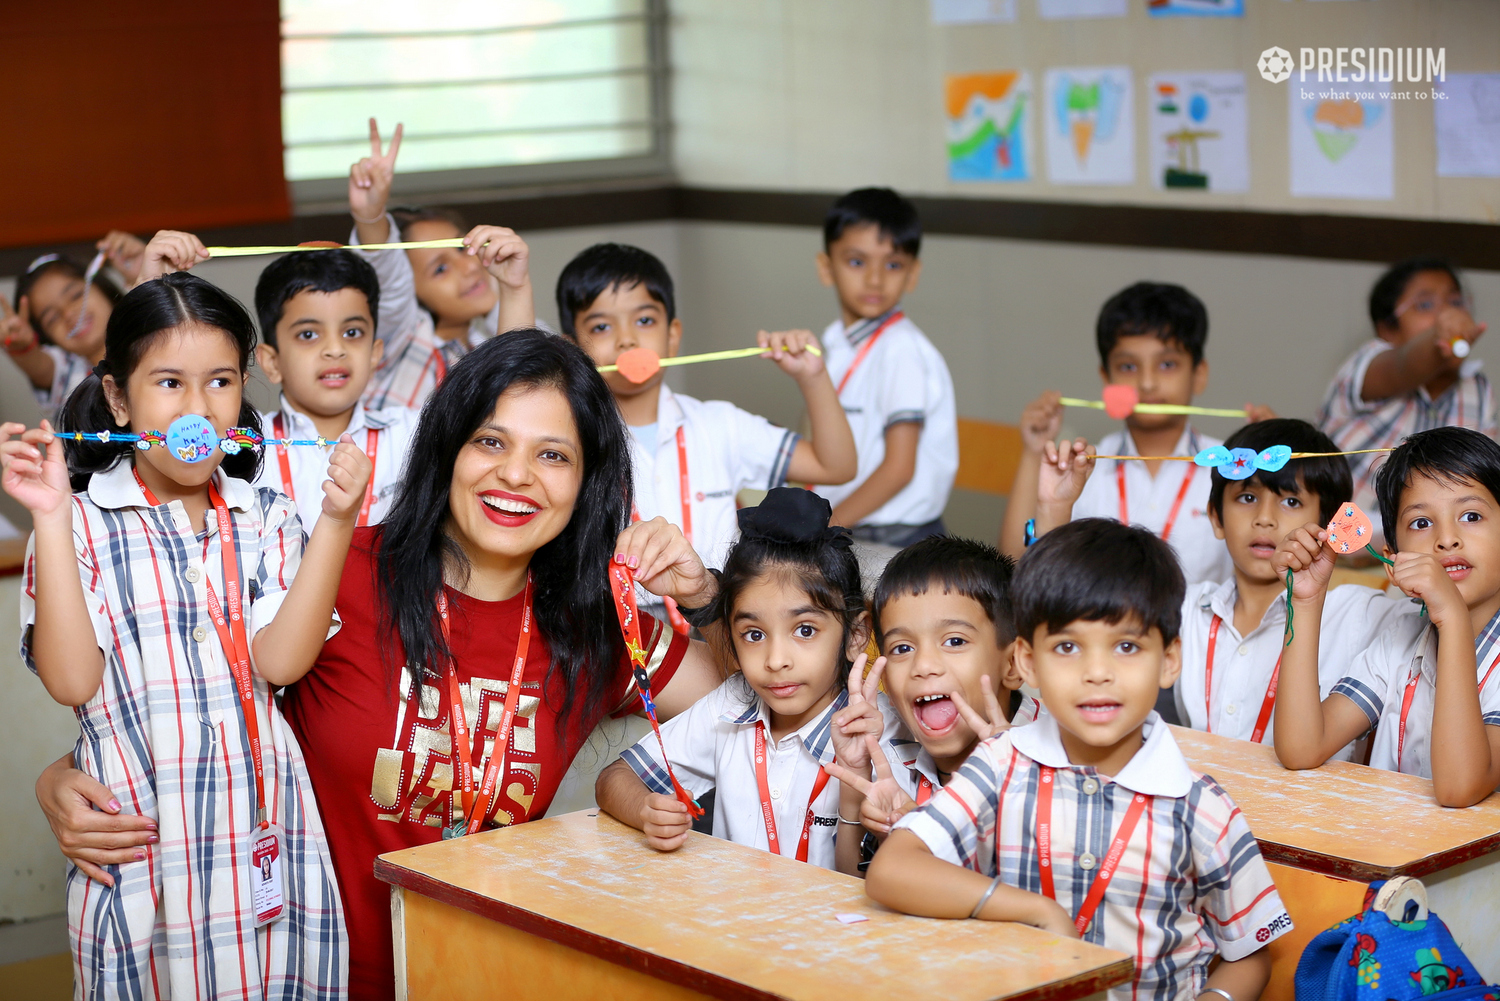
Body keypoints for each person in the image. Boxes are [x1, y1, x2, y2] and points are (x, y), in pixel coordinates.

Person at [33, 328, 727, 1001]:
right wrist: (64, 774)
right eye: (490, 441)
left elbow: (759, 702)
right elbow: (194, 701)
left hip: (489, 973)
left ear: (587, 482)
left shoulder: (595, 622)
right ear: (445, 450)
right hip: (310, 969)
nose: (515, 474)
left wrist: (704, 598)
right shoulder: (338, 568)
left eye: (553, 455)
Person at [4, 237, 375, 998]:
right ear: (118, 399)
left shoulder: (266, 514)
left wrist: (336, 520)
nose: (198, 409)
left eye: (220, 382)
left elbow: (281, 662)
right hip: (143, 850)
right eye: (168, 382)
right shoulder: (78, 523)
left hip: (268, 834)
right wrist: (46, 515)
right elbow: (74, 680)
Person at [866, 519, 1290, 1000]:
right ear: (1026, 661)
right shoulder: (1001, 764)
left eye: (1126, 646)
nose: (1096, 673)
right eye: (1067, 647)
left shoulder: (1202, 808)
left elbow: (1250, 954)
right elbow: (891, 870)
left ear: (1170, 659)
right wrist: (1036, 912)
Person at [595, 487, 888, 875]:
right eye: (754, 634)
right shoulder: (735, 702)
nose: (776, 660)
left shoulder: (879, 733)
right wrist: (646, 810)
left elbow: (877, 883)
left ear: (854, 635)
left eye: (804, 630)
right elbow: (614, 779)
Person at [557, 242, 857, 572]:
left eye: (644, 320)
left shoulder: (721, 425)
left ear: (673, 336)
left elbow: (835, 467)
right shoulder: (566, 438)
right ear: (572, 348)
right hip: (618, 621)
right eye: (601, 326)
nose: (626, 339)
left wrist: (813, 378)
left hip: (715, 615)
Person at [1274, 426, 1500, 808]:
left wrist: (1453, 618)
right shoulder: (1399, 640)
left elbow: (1459, 788)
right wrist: (1308, 602)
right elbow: (1301, 748)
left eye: (1471, 515)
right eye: (1421, 523)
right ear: (1392, 555)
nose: (1446, 539)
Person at [1002, 282, 1268, 585]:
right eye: (1128, 366)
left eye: (1167, 364)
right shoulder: (1082, 470)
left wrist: (1280, 464)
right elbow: (1015, 567)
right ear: (1106, 378)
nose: (1147, 383)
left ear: (1198, 374)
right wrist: (1032, 451)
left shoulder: (1234, 467)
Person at [824, 536, 1038, 836]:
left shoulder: (1057, 762)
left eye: (954, 641)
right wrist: (854, 787)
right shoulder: (889, 747)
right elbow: (850, 880)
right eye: (902, 648)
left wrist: (923, 834)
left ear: (1014, 663)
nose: (923, 665)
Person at [346, 119, 537, 410]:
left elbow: (531, 363)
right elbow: (387, 273)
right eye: (440, 269)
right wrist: (370, 215)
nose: (469, 267)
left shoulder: (484, 345)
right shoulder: (403, 338)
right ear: (411, 290)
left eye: (462, 248)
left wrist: (511, 285)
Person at [812, 187, 958, 546]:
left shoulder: (900, 350)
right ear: (826, 267)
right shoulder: (837, 342)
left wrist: (822, 530)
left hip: (897, 539)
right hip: (852, 526)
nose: (875, 279)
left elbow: (899, 469)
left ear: (913, 273)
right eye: (857, 262)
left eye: (893, 265)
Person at [1318, 257, 1493, 549]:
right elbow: (1402, 366)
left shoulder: (1478, 388)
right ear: (1388, 329)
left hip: (1418, 554)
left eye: (1456, 302)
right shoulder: (1369, 364)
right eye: (1425, 306)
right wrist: (1440, 336)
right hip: (1331, 548)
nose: (1447, 313)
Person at [252, 248, 418, 530]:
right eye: (308, 334)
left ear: (374, 353)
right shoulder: (247, 447)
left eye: (352, 332)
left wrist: (513, 290)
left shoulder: (412, 433)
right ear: (272, 362)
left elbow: (500, 402)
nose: (335, 349)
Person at [2, 232, 146, 421]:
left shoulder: (149, 327)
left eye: (76, 295)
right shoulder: (69, 376)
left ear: (101, 287)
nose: (68, 314)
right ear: (47, 338)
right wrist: (22, 346)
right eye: (51, 318)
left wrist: (145, 276)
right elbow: (40, 367)